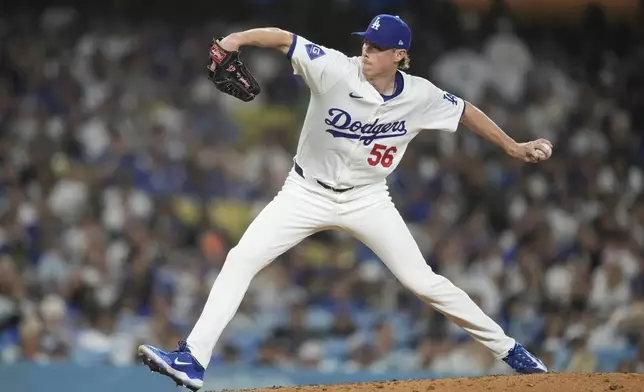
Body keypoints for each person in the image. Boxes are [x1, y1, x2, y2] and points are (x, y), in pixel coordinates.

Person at [138, 14, 551, 391]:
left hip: (368, 198)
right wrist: (235, 39)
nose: (366, 51)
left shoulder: (420, 95)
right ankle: (193, 359)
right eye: (365, 44)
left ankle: (513, 353)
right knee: (241, 258)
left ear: (399, 55)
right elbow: (283, 38)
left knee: (423, 282)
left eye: (375, 47)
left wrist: (512, 147)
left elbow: (464, 112)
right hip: (304, 192)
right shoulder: (335, 69)